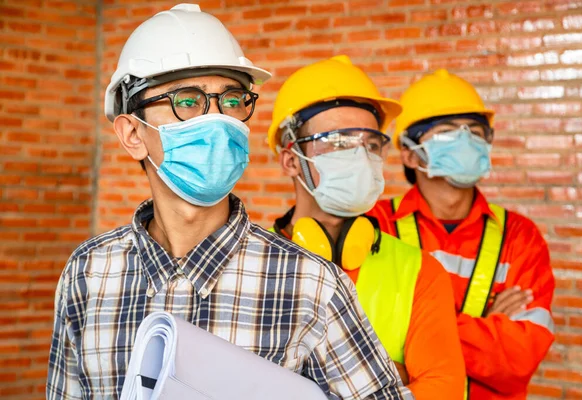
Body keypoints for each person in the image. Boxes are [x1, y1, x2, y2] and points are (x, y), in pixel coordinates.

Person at [46, 5, 410, 399]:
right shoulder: (88, 273)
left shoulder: (313, 286)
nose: (218, 119)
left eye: (233, 100)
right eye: (187, 101)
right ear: (132, 134)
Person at [267, 55, 466, 399]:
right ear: (291, 159)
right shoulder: (247, 263)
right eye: (339, 141)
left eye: (371, 144)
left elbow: (445, 390)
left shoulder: (419, 271)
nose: (360, 156)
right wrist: (387, 377)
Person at [368, 69, 556, 400]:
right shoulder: (375, 224)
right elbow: (358, 344)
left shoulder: (520, 236)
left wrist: (415, 333)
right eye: (446, 132)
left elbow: (520, 357)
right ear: (410, 153)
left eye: (476, 131)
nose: (466, 140)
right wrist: (485, 327)